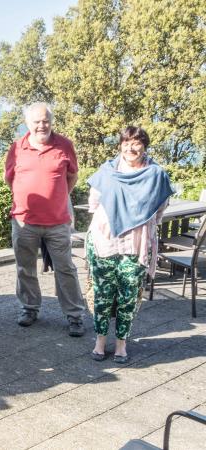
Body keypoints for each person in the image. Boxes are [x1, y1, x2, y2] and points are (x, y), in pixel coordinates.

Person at [87, 126, 172, 363]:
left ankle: (122, 344)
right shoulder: (107, 171)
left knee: (128, 295)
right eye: (126, 143)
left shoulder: (156, 174)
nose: (130, 148)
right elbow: (94, 202)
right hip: (106, 239)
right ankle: (100, 341)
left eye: (136, 143)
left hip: (136, 242)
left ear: (144, 146)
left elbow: (160, 207)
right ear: (120, 145)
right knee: (103, 294)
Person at [4, 102, 86, 336]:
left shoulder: (64, 145)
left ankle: (74, 315)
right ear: (27, 124)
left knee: (66, 269)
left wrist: (57, 198)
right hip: (24, 220)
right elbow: (9, 179)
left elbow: (72, 176)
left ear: (51, 121)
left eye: (45, 120)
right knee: (25, 268)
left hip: (58, 221)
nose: (41, 125)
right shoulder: (17, 147)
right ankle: (29, 308)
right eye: (36, 121)